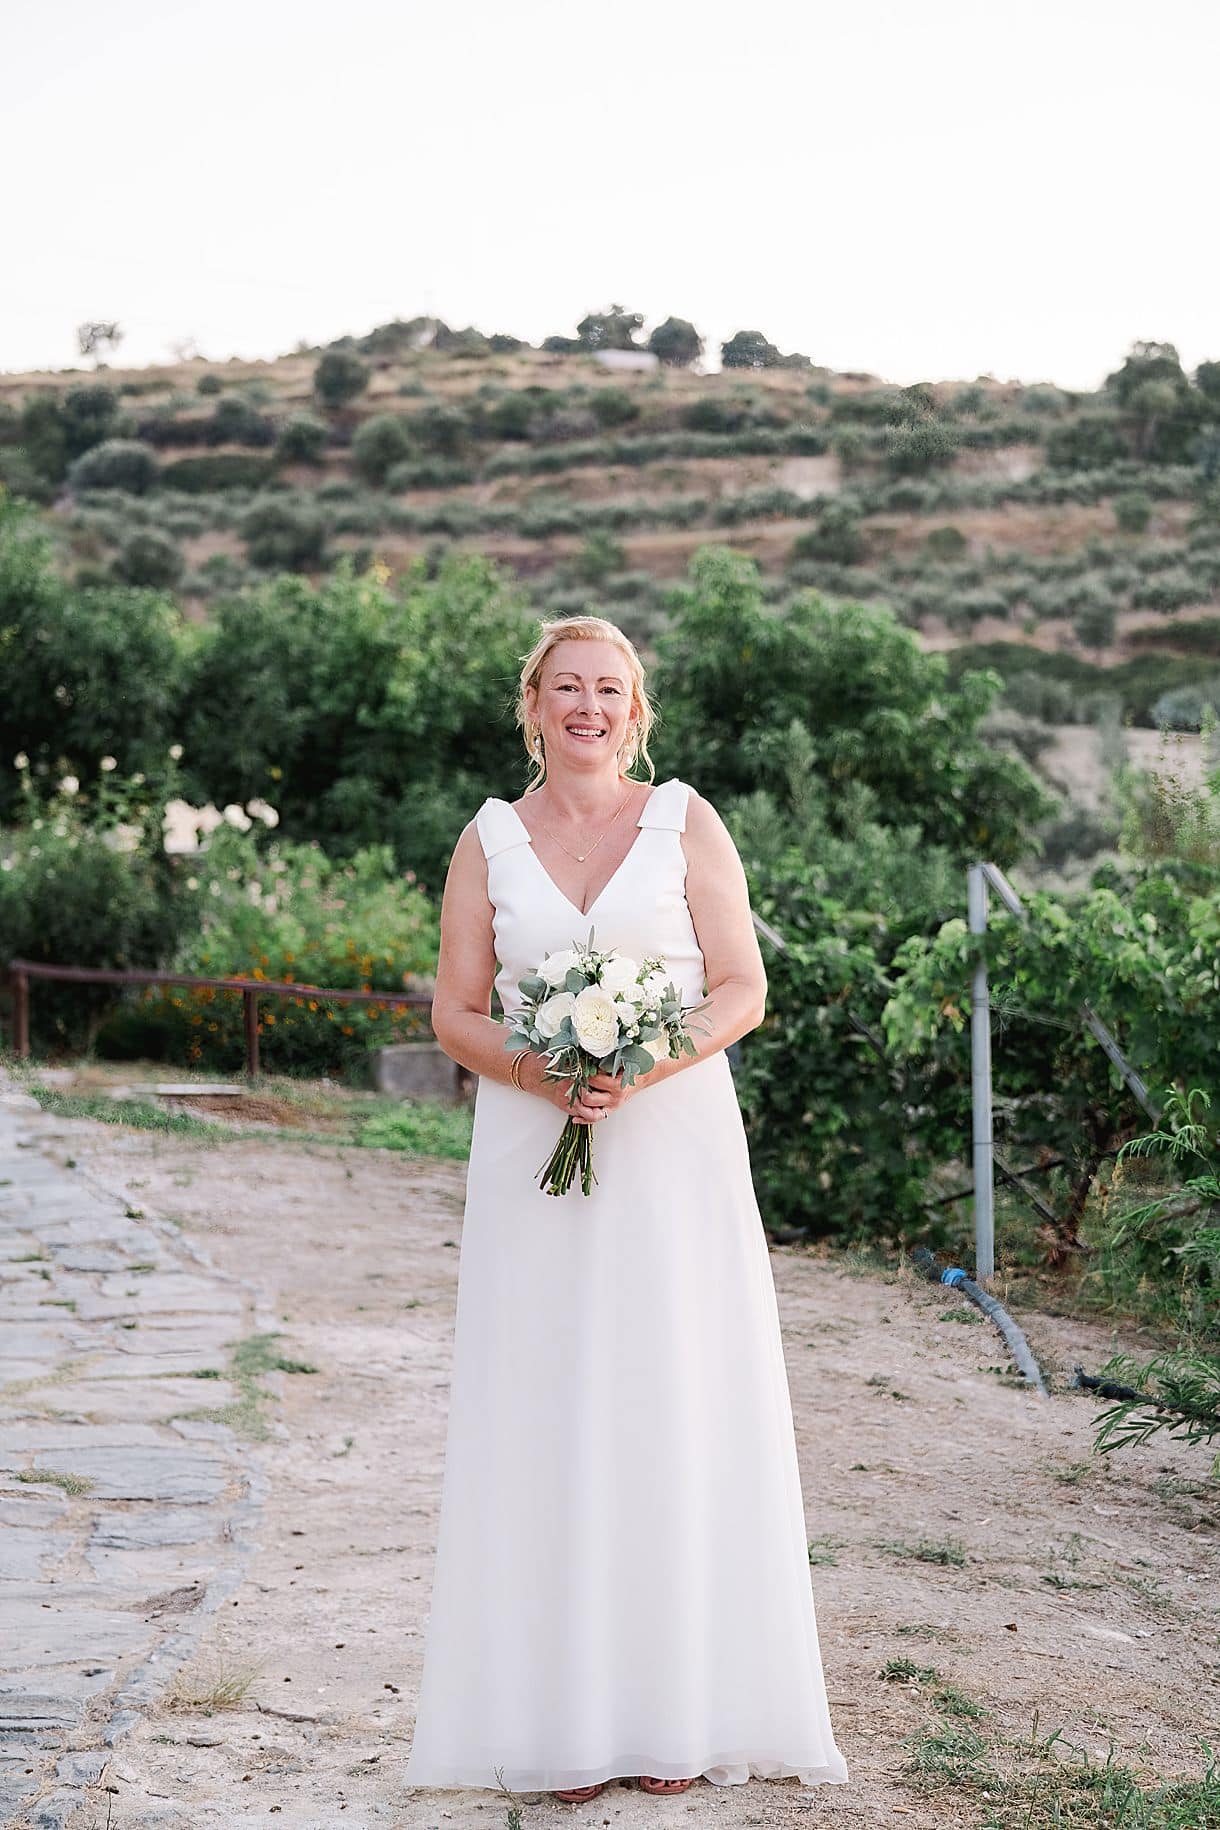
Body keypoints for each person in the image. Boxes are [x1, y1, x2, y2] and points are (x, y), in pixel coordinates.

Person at [402, 613, 849, 1803]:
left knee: (672, 1403)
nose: (587, 707)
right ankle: (552, 1724)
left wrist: (642, 1061)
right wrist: (539, 1070)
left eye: (609, 689)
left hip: (673, 1150)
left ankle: (672, 1718)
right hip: (528, 1150)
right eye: (566, 688)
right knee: (546, 1411)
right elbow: (455, 1011)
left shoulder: (685, 821)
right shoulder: (487, 839)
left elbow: (743, 985)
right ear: (533, 705)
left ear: (634, 711)